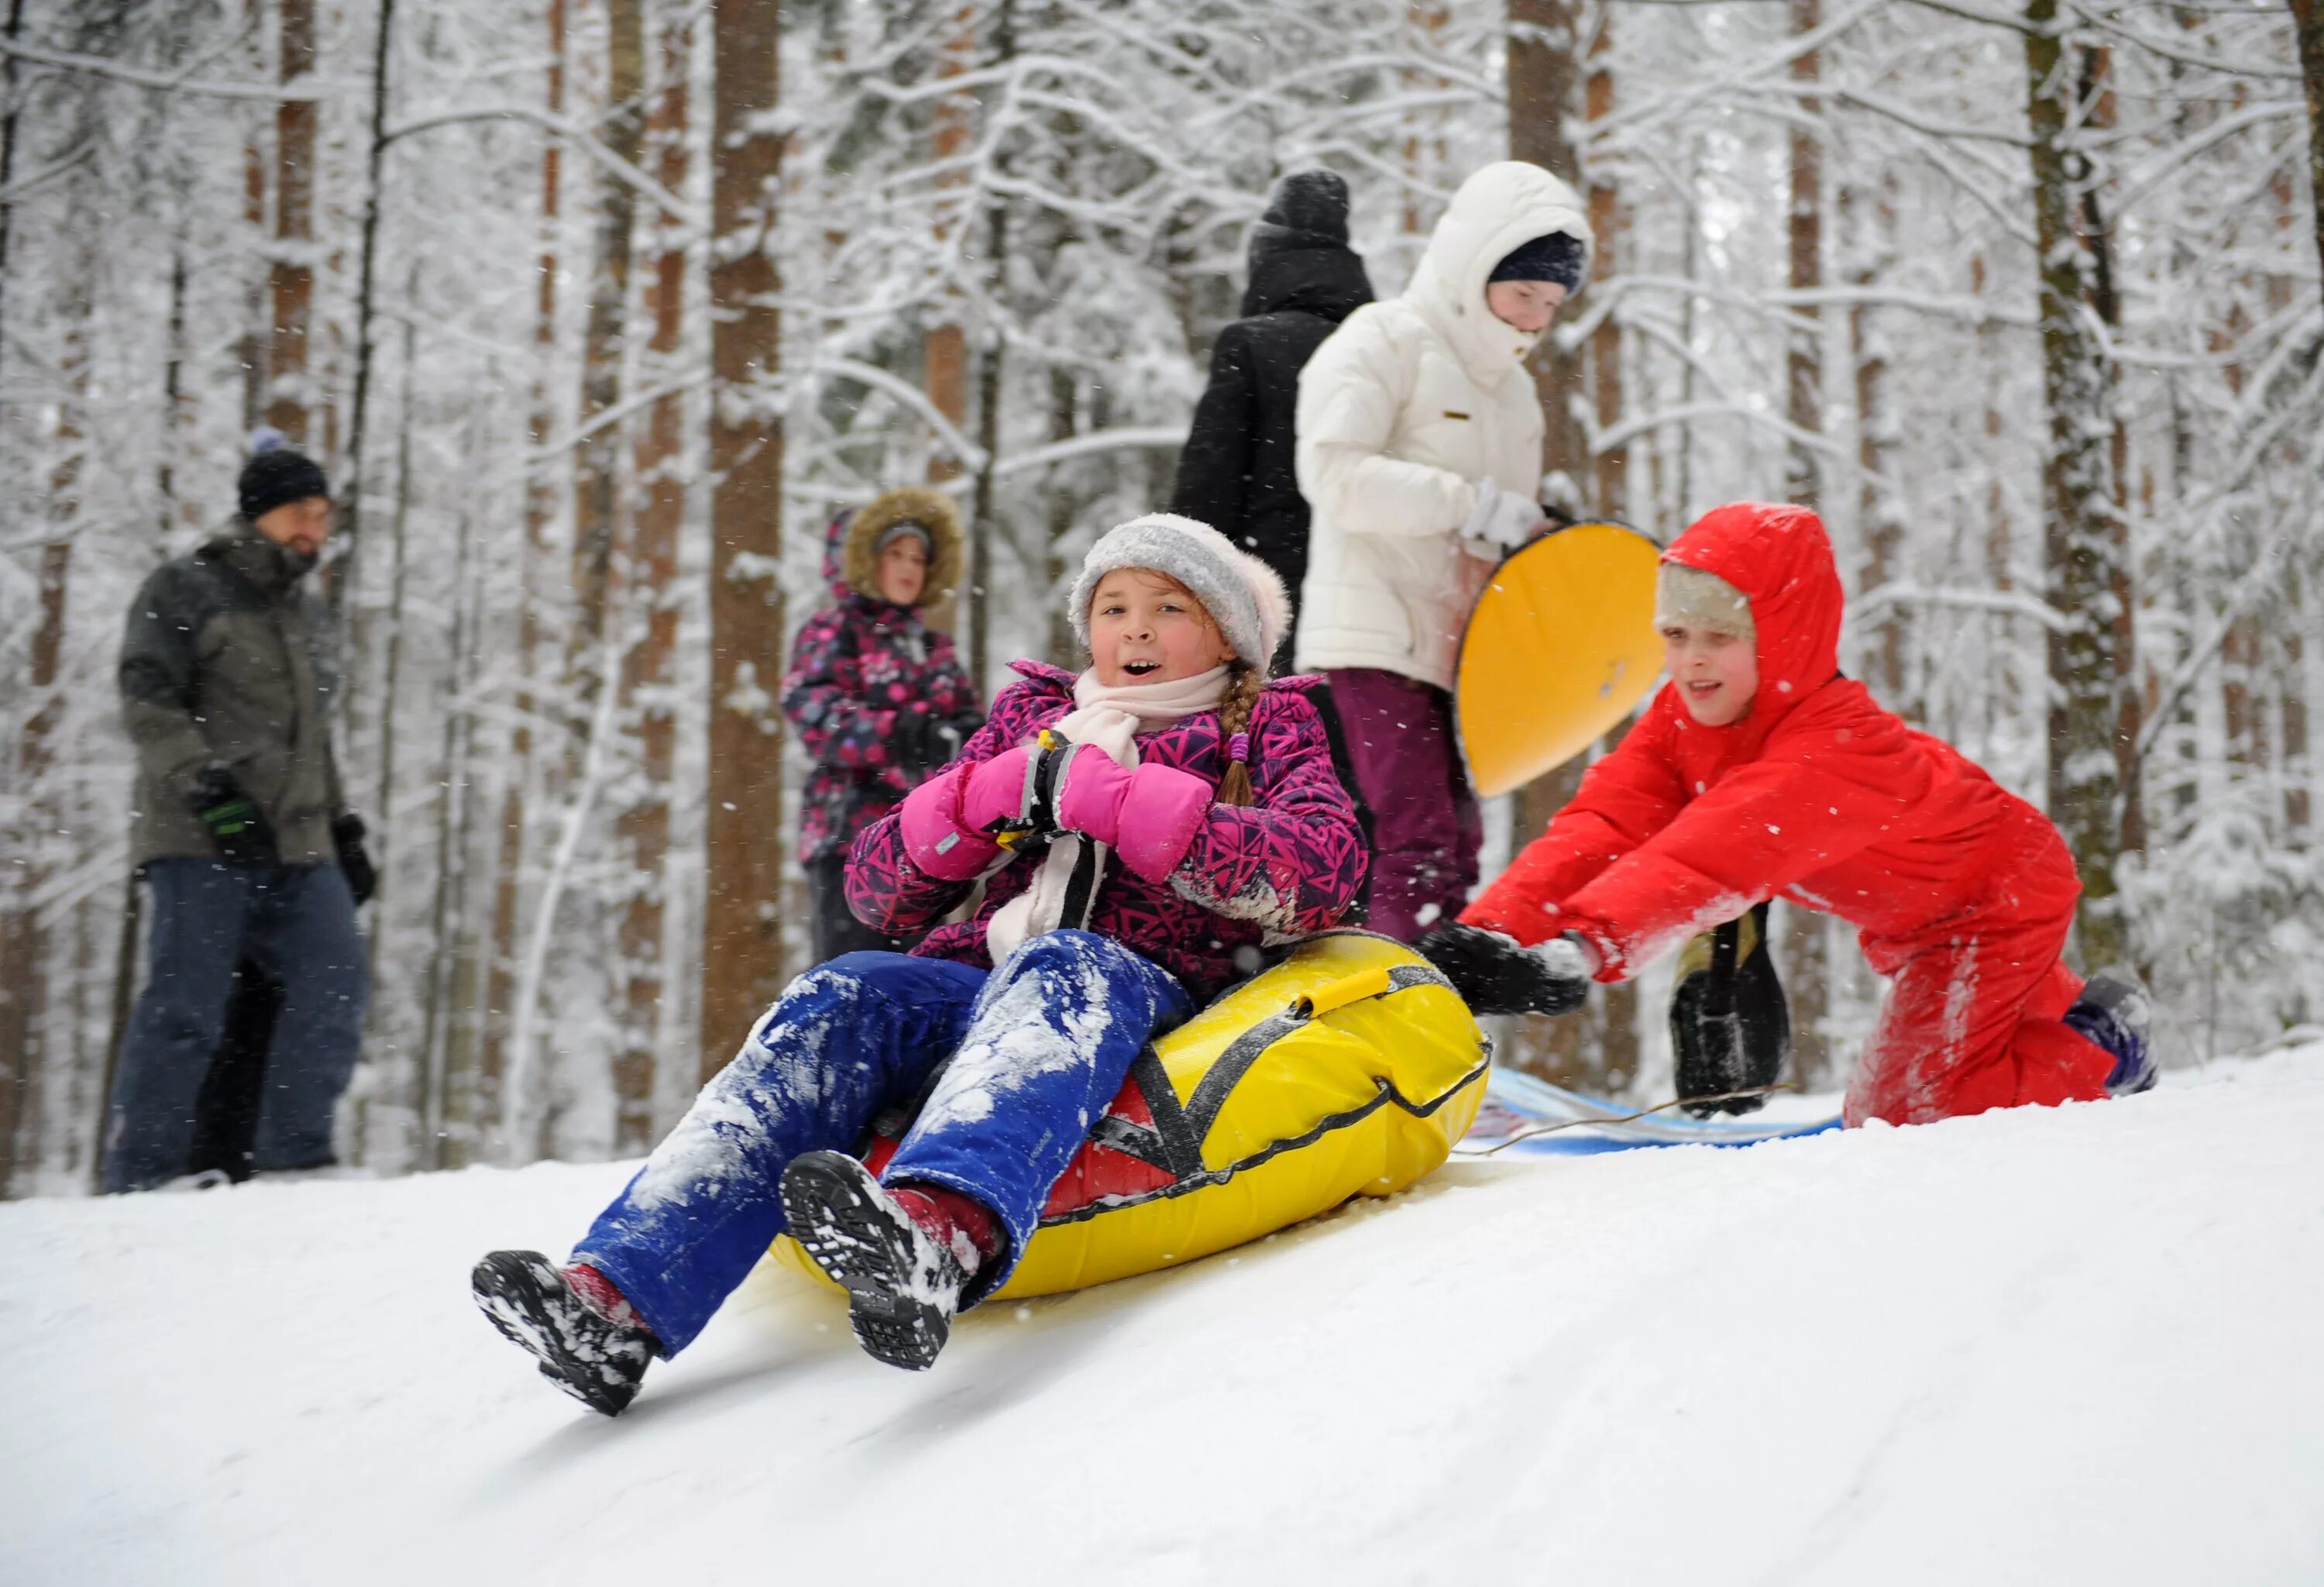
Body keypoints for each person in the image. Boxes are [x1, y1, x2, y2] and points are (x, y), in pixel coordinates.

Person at [472, 513, 1365, 1415]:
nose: (1134, 627)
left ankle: (940, 1235)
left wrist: (1130, 801)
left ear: (1228, 634)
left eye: (1169, 607)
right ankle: (617, 1298)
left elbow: (1324, 869)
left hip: (1138, 978)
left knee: (1064, 966)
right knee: (844, 988)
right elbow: (878, 888)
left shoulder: (1267, 726)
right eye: (1113, 605)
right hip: (980, 974)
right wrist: (980, 800)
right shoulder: (1035, 718)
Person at [1417, 501, 2157, 1128]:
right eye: (1676, 636)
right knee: (1959, 1054)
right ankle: (2056, 1020)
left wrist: (1581, 950)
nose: (1691, 662)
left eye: (1720, 637)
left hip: (1995, 899)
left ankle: (2107, 1043)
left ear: (1785, 634)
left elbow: (1707, 857)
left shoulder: (1833, 747)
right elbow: (1604, 826)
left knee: (1911, 1113)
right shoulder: (1688, 717)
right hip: (1923, 906)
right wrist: (1490, 936)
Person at [1293, 160, 1591, 942]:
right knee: (1417, 845)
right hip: (1375, 633)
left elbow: (1494, 527)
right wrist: (1472, 503)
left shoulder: (1516, 395)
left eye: (1551, 304)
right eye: (1523, 291)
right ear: (1474, 265)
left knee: (1459, 850)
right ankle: (1387, 1009)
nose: (1534, 318)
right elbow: (1332, 469)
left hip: (1462, 655)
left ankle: (1425, 1013)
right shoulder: (1385, 338)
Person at [104, 433, 375, 1193]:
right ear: (257, 512)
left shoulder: (308, 614)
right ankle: (142, 1174)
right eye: (300, 512)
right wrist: (209, 790)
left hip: (298, 843)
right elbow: (146, 695)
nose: (314, 530)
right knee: (187, 1004)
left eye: (323, 515)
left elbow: (308, 736)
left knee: (336, 984)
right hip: (199, 836)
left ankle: (295, 1161)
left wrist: (342, 824)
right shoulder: (187, 586)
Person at [1169, 169, 1373, 666]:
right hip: (1366, 603)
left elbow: (1208, 487)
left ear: (1264, 261)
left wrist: (1171, 589)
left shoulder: (1253, 345)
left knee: (1271, 737)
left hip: (1268, 597)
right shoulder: (1380, 350)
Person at [781, 487, 981, 962]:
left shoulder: (934, 647)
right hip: (848, 833)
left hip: (925, 841)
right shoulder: (833, 630)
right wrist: (905, 733)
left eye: (919, 557)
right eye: (896, 554)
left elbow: (970, 726)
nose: (910, 567)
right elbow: (814, 713)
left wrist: (964, 736)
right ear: (866, 559)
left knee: (919, 978)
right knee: (855, 976)